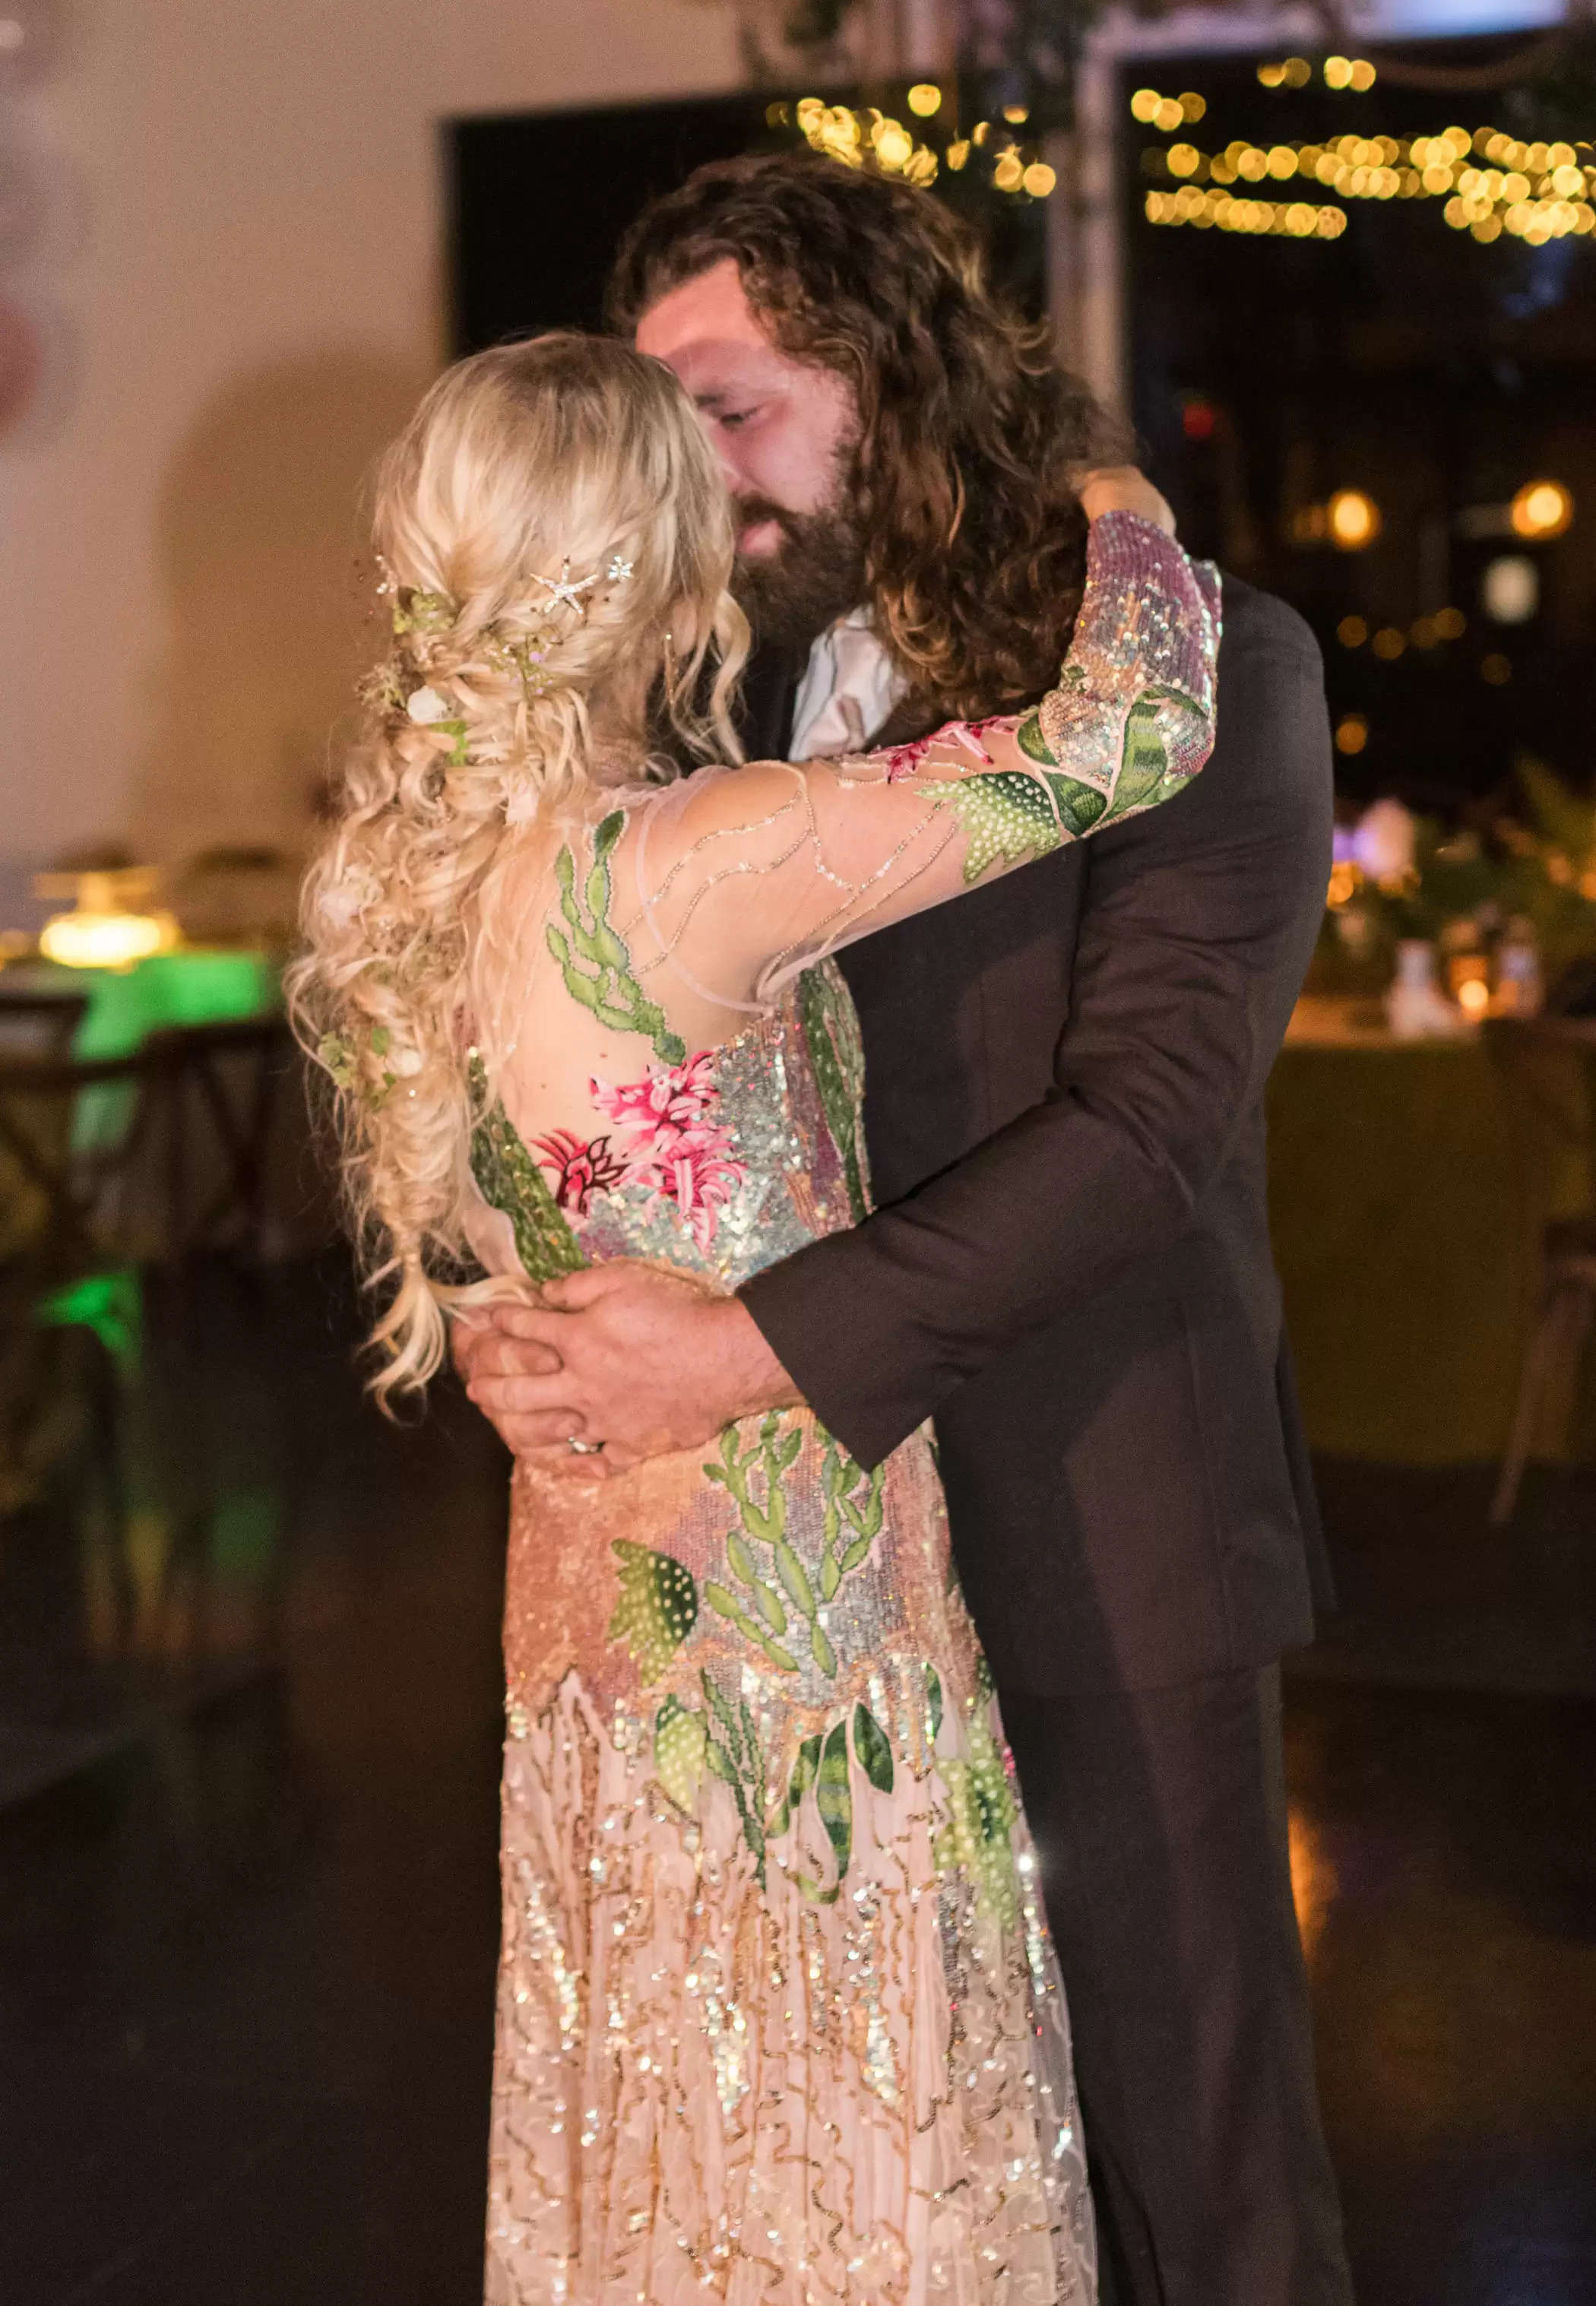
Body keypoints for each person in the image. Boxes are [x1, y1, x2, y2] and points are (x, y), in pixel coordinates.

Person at [455, 156, 1354, 2304]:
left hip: (1099, 1514)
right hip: (814, 1594)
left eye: (737, 406)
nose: (704, 481)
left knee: (1197, 2171)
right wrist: (530, 1303)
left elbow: (1140, 1133)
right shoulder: (706, 710)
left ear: (888, 378)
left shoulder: (1210, 659)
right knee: (885, 2183)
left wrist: (740, 1347)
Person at [293, 325, 1220, 2300]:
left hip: (593, 1618)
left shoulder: (424, 880)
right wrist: (1116, 495)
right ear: (661, 552)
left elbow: (500, 1246)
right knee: (847, 2129)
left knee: (663, 2122)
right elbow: (1129, 737)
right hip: (796, 1626)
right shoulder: (699, 859)